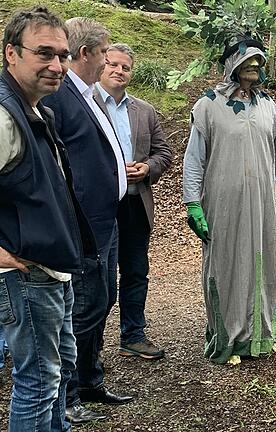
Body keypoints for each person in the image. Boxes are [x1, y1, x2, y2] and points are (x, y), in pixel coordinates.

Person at [182, 35, 276, 365]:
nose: (253, 66)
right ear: (231, 65)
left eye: (258, 60)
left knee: (263, 261)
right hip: (224, 202)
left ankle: (262, 333)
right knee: (226, 265)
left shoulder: (268, 106)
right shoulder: (208, 105)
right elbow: (194, 160)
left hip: (263, 202)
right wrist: (193, 203)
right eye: (247, 60)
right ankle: (227, 339)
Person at [0, 6, 96, 430]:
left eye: (62, 54)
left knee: (57, 374)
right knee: (38, 382)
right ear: (11, 54)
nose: (57, 65)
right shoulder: (4, 117)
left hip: (53, 268)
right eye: (43, 53)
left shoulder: (37, 109)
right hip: (27, 271)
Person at [43, 17, 133, 424]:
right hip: (82, 223)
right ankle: (70, 392)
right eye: (102, 53)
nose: (106, 60)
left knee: (103, 299)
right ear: (86, 54)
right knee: (82, 307)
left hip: (105, 219)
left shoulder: (88, 94)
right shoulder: (61, 97)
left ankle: (92, 377)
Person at [95, 43, 172, 361]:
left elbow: (164, 152)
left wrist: (148, 168)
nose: (118, 70)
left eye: (125, 67)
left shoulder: (144, 110)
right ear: (101, 65)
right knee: (99, 281)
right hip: (99, 207)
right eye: (112, 64)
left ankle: (133, 336)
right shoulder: (86, 105)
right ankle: (90, 347)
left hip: (135, 204)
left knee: (136, 273)